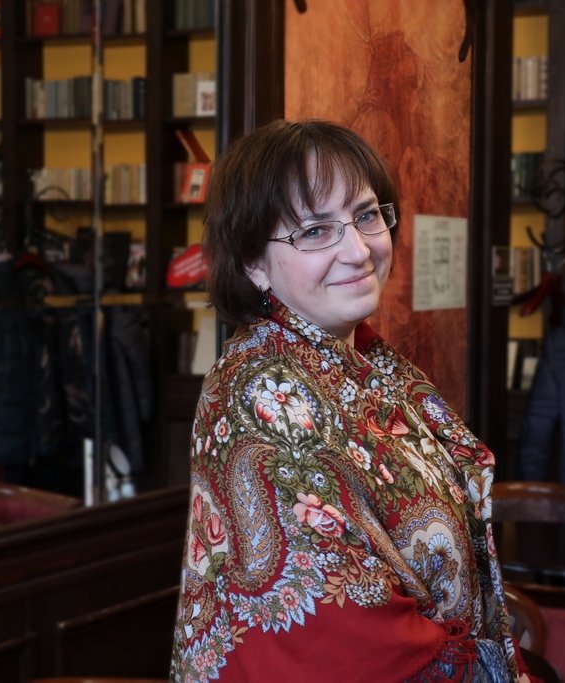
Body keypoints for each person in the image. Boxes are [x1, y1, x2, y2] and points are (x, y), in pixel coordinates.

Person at [170, 121, 530, 682]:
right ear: (252, 263)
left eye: (366, 216)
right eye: (315, 231)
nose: (359, 250)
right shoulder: (259, 389)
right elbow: (335, 629)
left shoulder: (365, 359)